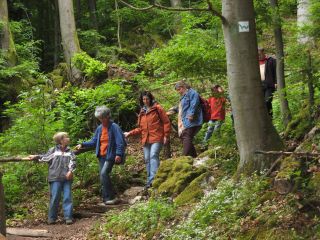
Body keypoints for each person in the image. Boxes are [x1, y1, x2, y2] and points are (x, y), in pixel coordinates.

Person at [75, 106, 126, 205]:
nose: (101, 120)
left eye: (102, 118)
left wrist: (118, 154)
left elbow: (120, 142)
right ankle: (107, 198)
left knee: (104, 174)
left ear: (108, 116)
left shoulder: (114, 127)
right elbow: (94, 141)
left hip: (111, 155)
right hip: (101, 156)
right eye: (99, 118)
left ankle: (110, 197)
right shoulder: (99, 128)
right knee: (103, 177)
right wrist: (82, 144)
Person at [25, 132, 76, 225]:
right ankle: (52, 218)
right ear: (61, 140)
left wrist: (70, 171)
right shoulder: (53, 150)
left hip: (66, 179)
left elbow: (73, 162)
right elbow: (45, 158)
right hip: (55, 178)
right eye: (66, 137)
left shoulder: (70, 151)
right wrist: (35, 157)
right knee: (55, 197)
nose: (68, 138)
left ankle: (68, 217)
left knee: (67, 197)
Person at [124, 91, 171, 189]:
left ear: (151, 99)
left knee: (153, 155)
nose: (145, 101)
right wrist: (129, 133)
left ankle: (154, 180)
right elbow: (140, 128)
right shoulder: (142, 112)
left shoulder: (158, 108)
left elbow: (166, 122)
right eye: (143, 99)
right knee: (147, 159)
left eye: (147, 99)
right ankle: (149, 180)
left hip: (157, 137)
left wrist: (166, 135)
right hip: (145, 139)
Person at [169, 81, 203, 158]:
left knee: (186, 136)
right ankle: (194, 157)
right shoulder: (183, 96)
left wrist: (191, 114)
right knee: (185, 137)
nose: (178, 92)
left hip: (191, 120)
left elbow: (194, 104)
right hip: (185, 120)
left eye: (179, 89)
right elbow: (183, 107)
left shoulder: (192, 93)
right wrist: (174, 109)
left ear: (183, 87)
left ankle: (183, 157)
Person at [258, 47, 277, 117]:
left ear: (263, 52)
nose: (258, 56)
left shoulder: (271, 60)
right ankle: (264, 117)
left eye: (259, 54)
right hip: (259, 85)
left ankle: (270, 116)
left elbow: (276, 72)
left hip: (269, 85)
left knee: (267, 101)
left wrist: (276, 82)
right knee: (261, 102)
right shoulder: (254, 62)